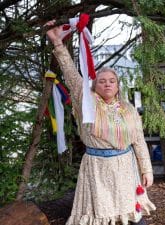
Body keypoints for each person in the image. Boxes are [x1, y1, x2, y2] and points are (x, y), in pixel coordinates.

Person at [45, 20, 155, 225]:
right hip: (97, 169)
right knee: (101, 218)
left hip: (125, 168)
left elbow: (138, 141)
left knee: (131, 217)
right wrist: (58, 44)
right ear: (95, 85)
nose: (107, 84)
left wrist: (146, 169)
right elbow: (71, 74)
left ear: (117, 85)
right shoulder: (87, 102)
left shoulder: (128, 109)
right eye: (102, 81)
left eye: (111, 81)